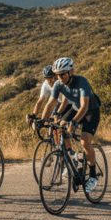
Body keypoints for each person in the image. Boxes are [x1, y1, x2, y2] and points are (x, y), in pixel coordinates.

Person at [40, 57, 101, 193]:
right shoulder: (58, 84)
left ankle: (92, 175)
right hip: (75, 107)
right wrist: (41, 120)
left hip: (91, 111)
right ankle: (73, 157)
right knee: (61, 126)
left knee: (85, 141)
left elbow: (84, 107)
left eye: (63, 74)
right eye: (57, 75)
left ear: (70, 72)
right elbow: (50, 104)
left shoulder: (82, 82)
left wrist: (74, 122)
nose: (60, 77)